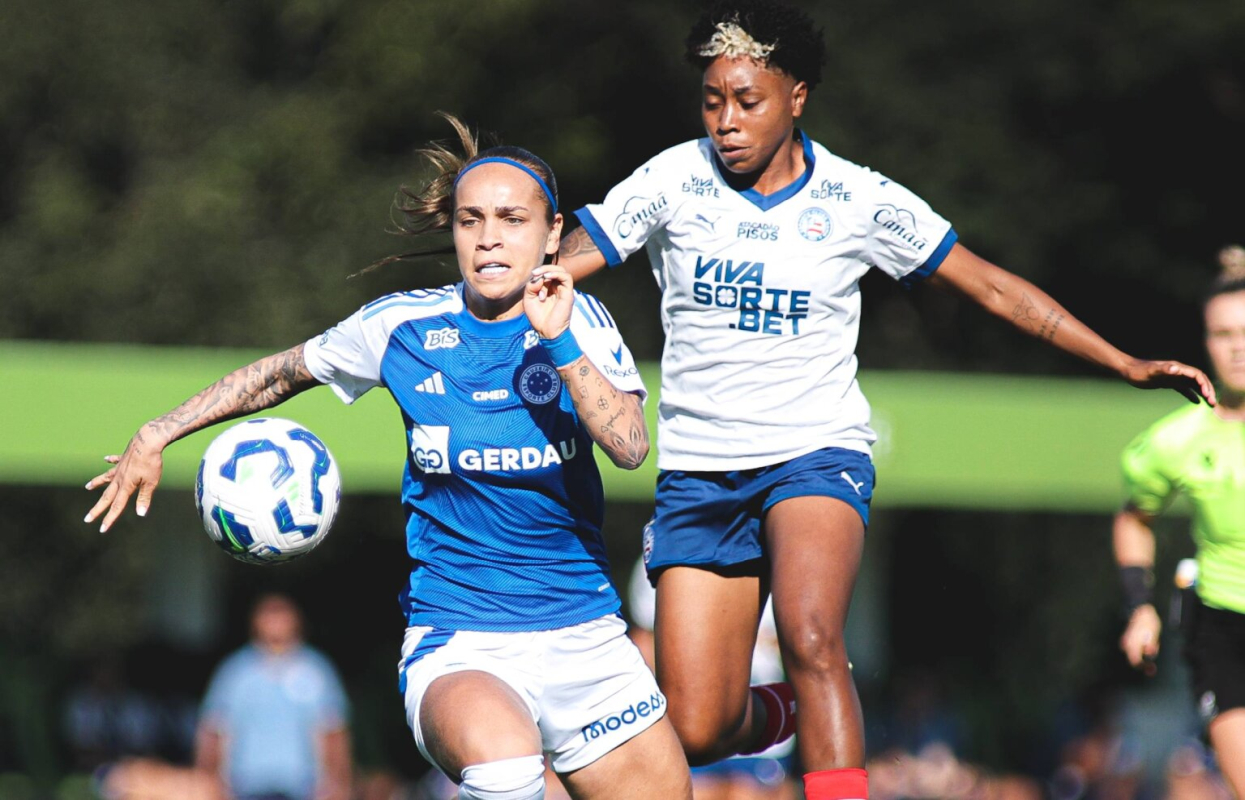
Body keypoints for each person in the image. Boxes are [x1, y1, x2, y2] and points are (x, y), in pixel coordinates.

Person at [554, 2, 1216, 798]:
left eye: (748, 100)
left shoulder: (858, 198)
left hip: (815, 453)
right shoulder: (672, 178)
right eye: (712, 100)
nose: (726, 120)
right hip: (699, 471)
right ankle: (790, 715)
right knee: (696, 726)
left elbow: (994, 289)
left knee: (810, 636)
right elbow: (559, 268)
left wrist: (1121, 360)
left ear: (796, 96)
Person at [85, 117, 692, 800]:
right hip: (462, 641)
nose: (489, 236)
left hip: (585, 636)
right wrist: (159, 431)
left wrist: (558, 342)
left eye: (511, 219)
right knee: (505, 766)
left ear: (551, 234)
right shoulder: (401, 327)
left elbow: (630, 447)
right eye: (470, 220)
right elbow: (280, 374)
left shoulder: (581, 321)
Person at [1113, 245, 1245, 798]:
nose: (1237, 347)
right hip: (1224, 628)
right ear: (1205, 341)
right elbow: (1133, 520)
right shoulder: (1175, 441)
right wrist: (1140, 608)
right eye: (1222, 334)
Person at [627, 543, 796, 800]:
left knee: (749, 794)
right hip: (690, 721)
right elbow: (645, 640)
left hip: (761, 723)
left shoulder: (780, 550)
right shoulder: (665, 544)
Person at [195, 593, 351, 800]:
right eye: (269, 613)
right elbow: (212, 731)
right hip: (245, 789)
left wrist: (340, 785)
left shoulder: (317, 670)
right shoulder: (235, 672)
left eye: (281, 613)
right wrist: (210, 785)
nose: (275, 621)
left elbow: (335, 732)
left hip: (303, 789)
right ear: (255, 620)